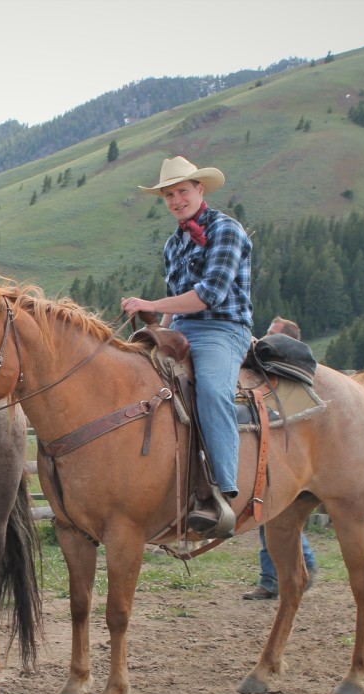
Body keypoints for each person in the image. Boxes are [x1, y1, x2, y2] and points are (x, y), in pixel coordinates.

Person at [120, 156, 252, 539]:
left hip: (222, 328)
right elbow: (176, 299)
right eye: (169, 195)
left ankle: (223, 495)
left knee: (211, 390)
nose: (176, 200)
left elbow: (209, 295)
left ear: (200, 190)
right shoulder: (173, 243)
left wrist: (151, 305)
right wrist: (154, 334)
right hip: (180, 327)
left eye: (182, 191)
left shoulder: (228, 230)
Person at [242, 316, 318, 600]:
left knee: (276, 520)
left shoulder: (288, 381)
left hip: (283, 461)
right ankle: (276, 577)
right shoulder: (273, 376)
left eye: (272, 334)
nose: (265, 338)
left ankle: (295, 569)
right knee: (273, 521)